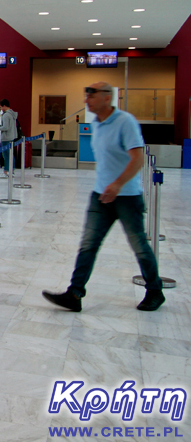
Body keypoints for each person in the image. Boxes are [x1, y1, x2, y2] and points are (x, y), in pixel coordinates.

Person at [42, 82, 165, 312]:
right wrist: (108, 187)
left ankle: (155, 291)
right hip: (101, 196)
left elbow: (137, 157)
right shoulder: (96, 124)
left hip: (127, 197)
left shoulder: (125, 122)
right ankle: (75, 293)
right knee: (88, 244)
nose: (86, 100)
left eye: (91, 95)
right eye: (85, 95)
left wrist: (118, 184)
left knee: (138, 244)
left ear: (107, 98)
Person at [0, 98, 18, 173]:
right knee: (11, 155)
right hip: (12, 136)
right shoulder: (13, 114)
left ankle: (7, 170)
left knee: (6, 155)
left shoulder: (6, 115)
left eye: (0, 107)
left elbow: (5, 127)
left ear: (4, 106)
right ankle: (12, 170)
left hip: (6, 138)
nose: (0, 109)